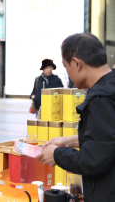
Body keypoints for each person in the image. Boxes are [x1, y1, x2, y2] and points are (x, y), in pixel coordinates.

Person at [36, 33, 115, 201]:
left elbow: (95, 160)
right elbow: (106, 140)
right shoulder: (110, 86)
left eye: (66, 67)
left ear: (77, 63)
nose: (68, 74)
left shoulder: (100, 99)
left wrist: (57, 154)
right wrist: (69, 141)